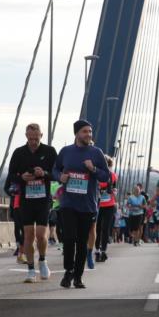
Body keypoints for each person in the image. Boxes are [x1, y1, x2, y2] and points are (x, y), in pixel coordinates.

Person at [53, 120, 110, 288]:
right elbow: (55, 169)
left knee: (82, 241)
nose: (89, 135)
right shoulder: (66, 151)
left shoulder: (96, 152)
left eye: (90, 132)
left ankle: (78, 276)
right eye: (85, 131)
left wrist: (93, 169)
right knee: (69, 239)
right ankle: (68, 271)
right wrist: (59, 177)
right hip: (68, 203)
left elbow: (106, 176)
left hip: (87, 205)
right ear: (77, 133)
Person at [7, 123, 58, 283]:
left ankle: (42, 260)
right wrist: (21, 177)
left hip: (43, 200)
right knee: (28, 235)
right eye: (30, 139)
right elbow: (10, 177)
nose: (33, 142)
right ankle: (30, 269)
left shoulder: (49, 151)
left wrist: (44, 173)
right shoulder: (19, 153)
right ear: (26, 137)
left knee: (41, 235)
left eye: (36, 139)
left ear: (41, 135)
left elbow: (56, 174)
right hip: (26, 200)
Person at [96, 156, 118, 263]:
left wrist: (113, 191)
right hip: (97, 205)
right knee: (97, 229)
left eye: (107, 164)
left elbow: (114, 188)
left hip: (109, 205)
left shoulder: (113, 176)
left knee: (105, 229)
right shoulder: (95, 174)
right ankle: (96, 250)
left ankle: (103, 250)